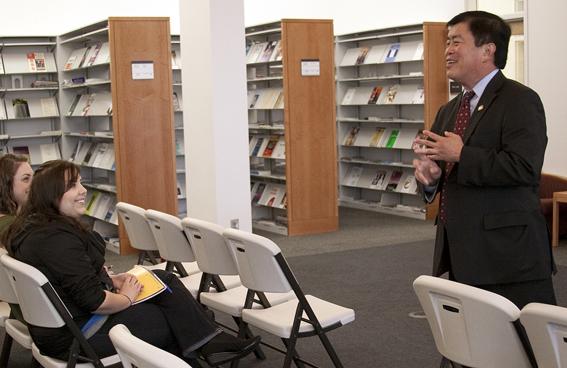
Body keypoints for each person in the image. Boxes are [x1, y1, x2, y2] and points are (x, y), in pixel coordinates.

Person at [1, 160, 260, 366]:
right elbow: (95, 302)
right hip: (78, 337)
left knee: (165, 281)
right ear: (51, 195)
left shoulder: (33, 229)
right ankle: (200, 342)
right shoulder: (56, 240)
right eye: (73, 185)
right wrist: (125, 298)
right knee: (172, 316)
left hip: (63, 326)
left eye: (80, 182)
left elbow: (68, 280)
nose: (83, 191)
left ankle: (204, 340)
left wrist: (112, 280)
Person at [412, 11, 556, 309]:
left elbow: (525, 168)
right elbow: (443, 176)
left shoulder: (520, 101)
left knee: (527, 349)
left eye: (456, 41)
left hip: (508, 258)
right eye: (447, 42)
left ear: (487, 50)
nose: (448, 51)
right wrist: (429, 178)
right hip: (462, 254)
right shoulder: (448, 110)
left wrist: (461, 154)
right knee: (474, 350)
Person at [0, 154, 33, 233]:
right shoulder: (11, 226)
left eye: (33, 177)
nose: (34, 183)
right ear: (6, 184)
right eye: (26, 178)